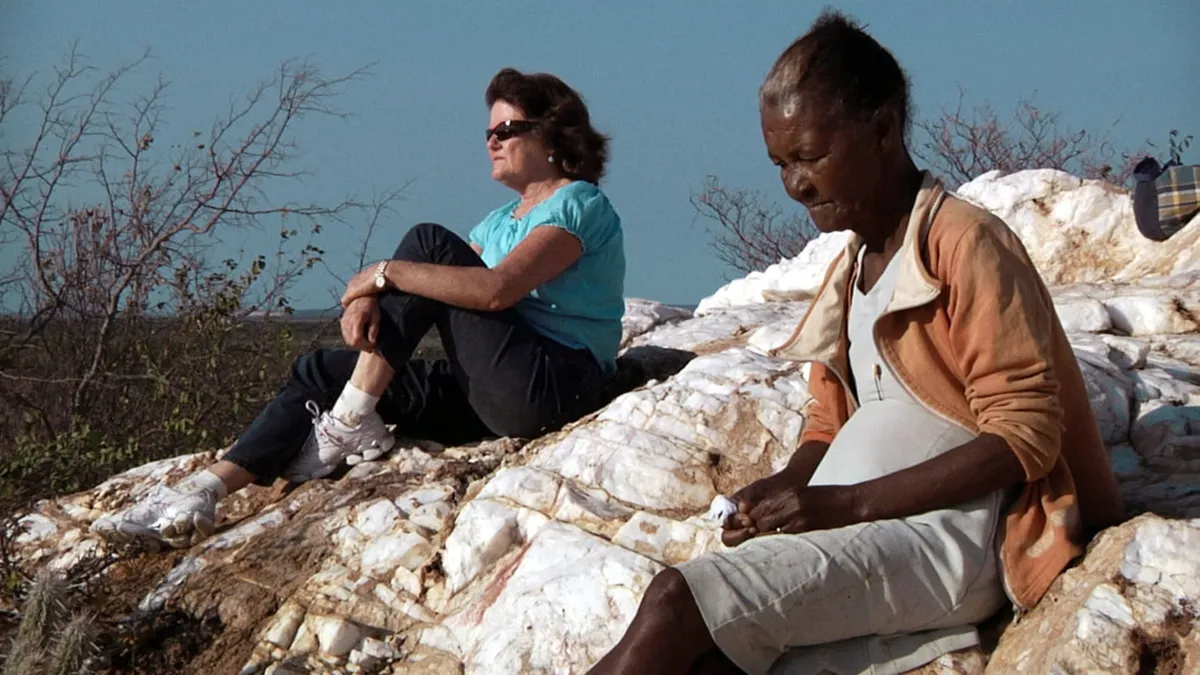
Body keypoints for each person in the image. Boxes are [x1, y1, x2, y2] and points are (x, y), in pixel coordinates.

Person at [590, 12, 1121, 675]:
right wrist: (781, 489)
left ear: (881, 128)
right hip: (861, 532)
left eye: (810, 155)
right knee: (705, 658)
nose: (795, 183)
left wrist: (838, 503)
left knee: (677, 600)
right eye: (781, 163)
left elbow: (1025, 435)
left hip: (954, 539)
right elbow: (827, 426)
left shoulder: (963, 243)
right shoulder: (851, 271)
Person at [92, 68, 625, 549]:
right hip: (493, 386)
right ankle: (202, 490)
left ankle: (349, 418)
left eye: (506, 130)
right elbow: (438, 287)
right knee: (320, 369)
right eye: (488, 131)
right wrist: (372, 293)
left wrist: (380, 273)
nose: (491, 141)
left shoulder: (578, 203)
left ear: (552, 135)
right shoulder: (498, 221)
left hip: (552, 382)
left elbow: (494, 291)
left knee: (428, 242)